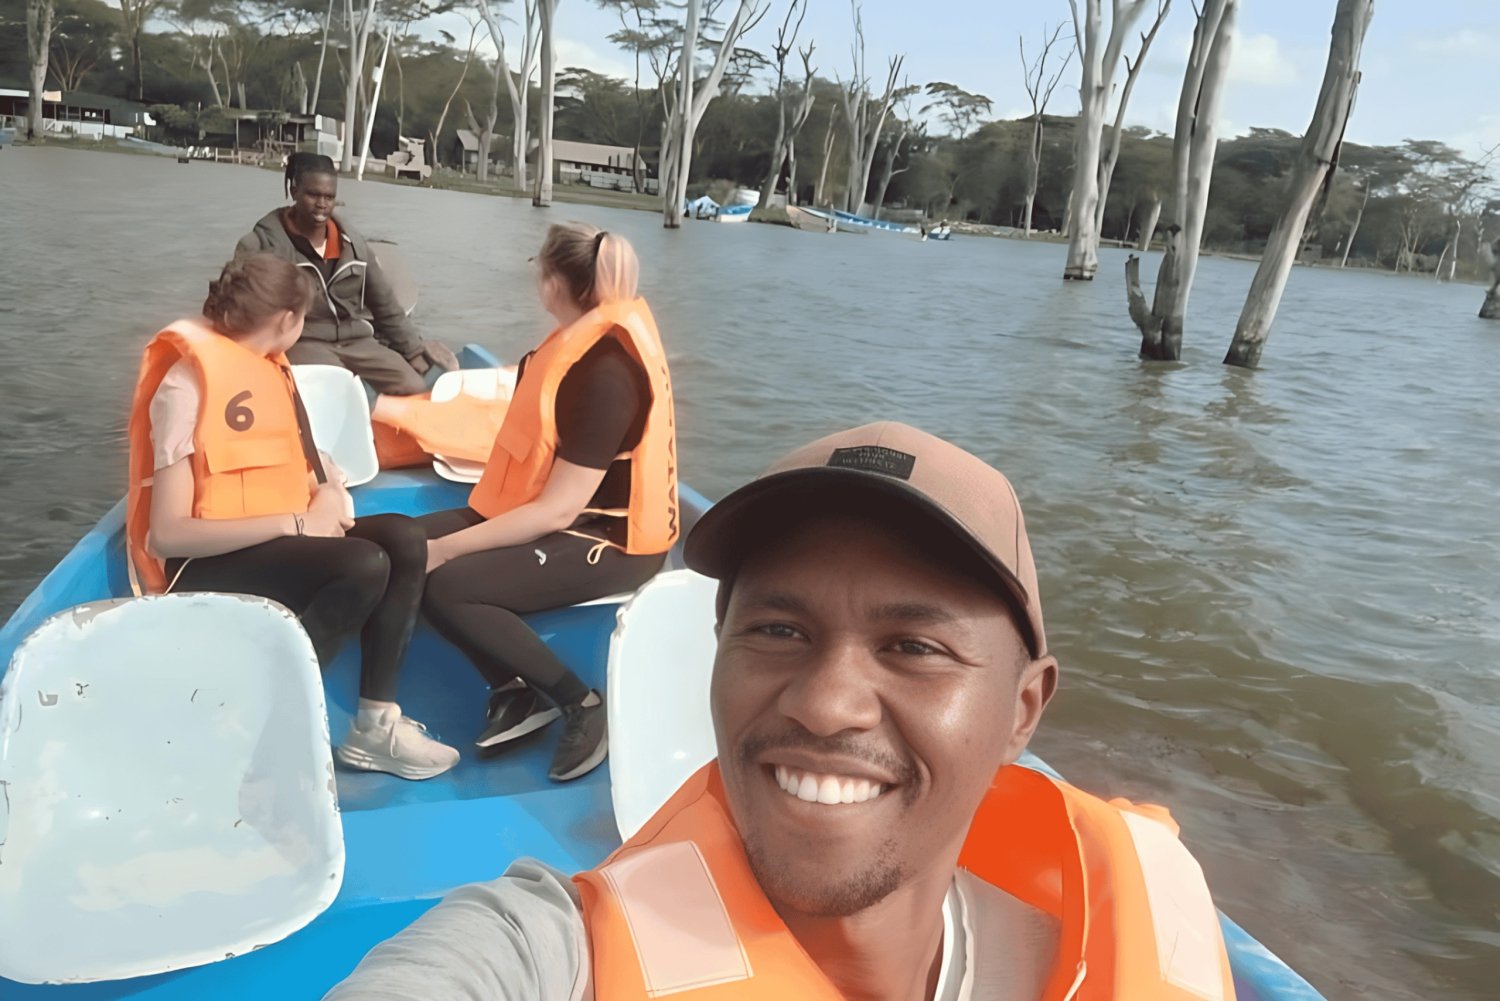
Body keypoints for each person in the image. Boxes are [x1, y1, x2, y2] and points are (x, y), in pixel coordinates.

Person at [323, 422, 1239, 1001]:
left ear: (1022, 709)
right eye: (778, 630)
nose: (826, 704)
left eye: (914, 646)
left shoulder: (1088, 957)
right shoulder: (553, 954)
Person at [125, 253, 460, 781]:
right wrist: (296, 524)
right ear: (289, 320)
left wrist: (325, 494)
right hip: (205, 562)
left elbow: (302, 469)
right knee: (363, 564)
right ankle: (262, 727)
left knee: (403, 536)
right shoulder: (186, 388)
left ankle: (375, 726)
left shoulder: (271, 372)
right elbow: (167, 534)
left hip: (278, 543)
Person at [409, 221, 678, 784]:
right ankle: (515, 690)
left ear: (554, 283)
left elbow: (559, 510)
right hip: (567, 514)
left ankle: (581, 704)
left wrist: (448, 550)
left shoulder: (607, 372)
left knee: (447, 583)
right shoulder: (576, 347)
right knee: (405, 546)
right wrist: (432, 546)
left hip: (611, 540)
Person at [235, 153, 458, 397]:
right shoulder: (260, 245)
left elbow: (385, 305)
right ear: (294, 190)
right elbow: (241, 306)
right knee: (340, 391)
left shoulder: (354, 245)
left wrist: (414, 351)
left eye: (329, 197)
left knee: (413, 386)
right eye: (313, 195)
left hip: (356, 340)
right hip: (302, 341)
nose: (322, 204)